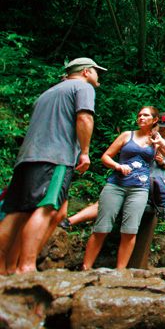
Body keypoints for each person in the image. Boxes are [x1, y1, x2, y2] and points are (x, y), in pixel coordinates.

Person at [0, 57, 104, 274]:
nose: (98, 75)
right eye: (96, 71)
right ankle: (26, 267)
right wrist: (84, 153)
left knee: (24, 211)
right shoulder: (83, 88)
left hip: (27, 158)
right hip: (55, 156)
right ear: (86, 72)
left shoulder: (47, 93)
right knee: (45, 209)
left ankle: (6, 266)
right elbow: (84, 118)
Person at [82, 106, 165, 269]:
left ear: (154, 120)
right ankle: (86, 267)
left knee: (130, 230)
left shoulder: (156, 141)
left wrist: (160, 142)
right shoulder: (127, 135)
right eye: (140, 115)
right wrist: (117, 166)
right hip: (116, 184)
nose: (141, 117)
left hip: (140, 188)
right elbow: (105, 157)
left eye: (146, 115)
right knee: (101, 227)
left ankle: (120, 272)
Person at [63, 111, 165, 229]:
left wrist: (163, 163)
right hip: (131, 178)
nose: (161, 129)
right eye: (159, 126)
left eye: (164, 127)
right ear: (154, 123)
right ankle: (70, 221)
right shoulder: (142, 138)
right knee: (108, 200)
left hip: (155, 185)